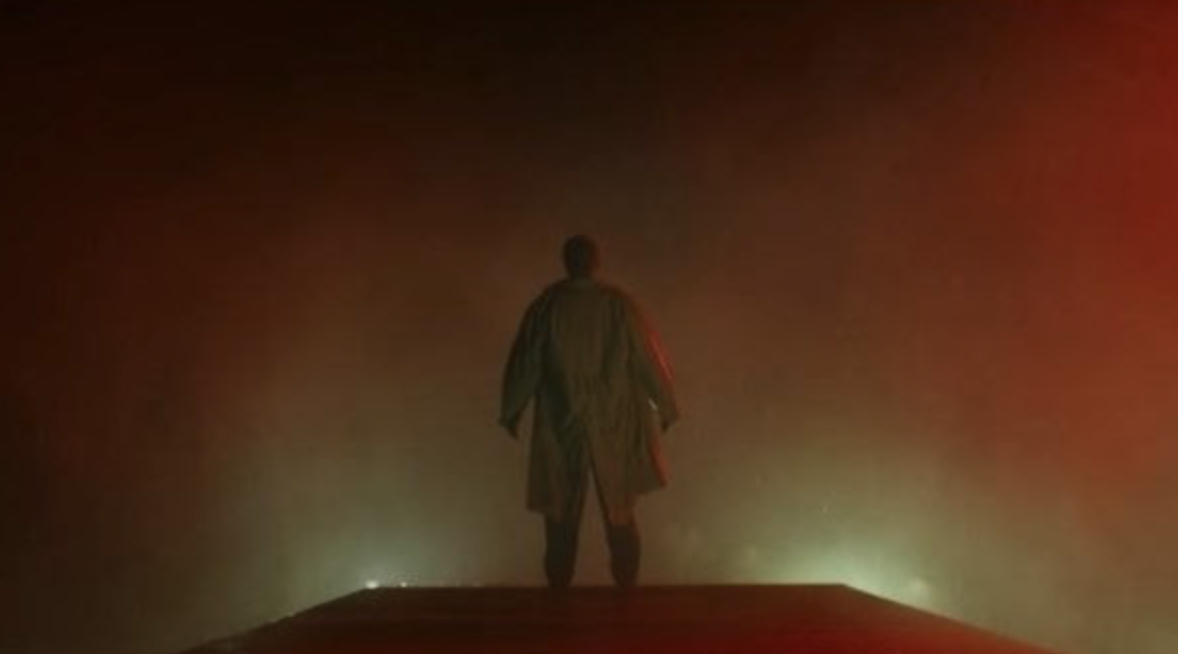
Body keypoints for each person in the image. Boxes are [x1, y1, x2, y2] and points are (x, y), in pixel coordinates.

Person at [499, 235, 679, 588]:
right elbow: (645, 357)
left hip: (562, 419)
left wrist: (512, 409)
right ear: (596, 261)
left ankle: (561, 591)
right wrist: (666, 404)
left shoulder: (547, 307)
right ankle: (625, 588)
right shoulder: (618, 306)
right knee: (619, 509)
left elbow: (526, 362)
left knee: (561, 510)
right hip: (611, 419)